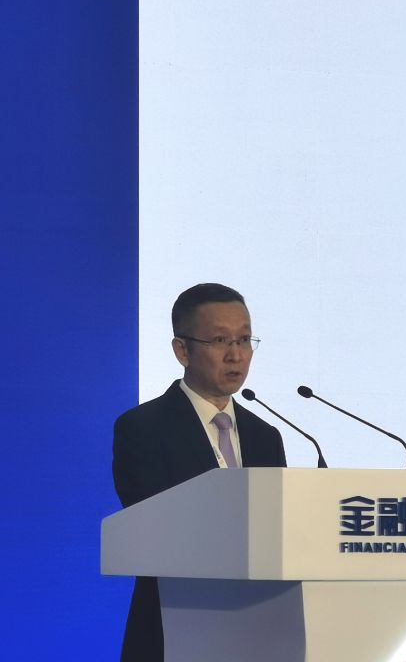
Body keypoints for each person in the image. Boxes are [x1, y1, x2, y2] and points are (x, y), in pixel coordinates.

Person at [112, 283, 287, 661]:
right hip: (172, 628)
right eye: (220, 340)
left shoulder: (265, 436)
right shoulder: (142, 428)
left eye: (244, 340)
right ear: (182, 350)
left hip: (258, 632)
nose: (235, 355)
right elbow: (154, 524)